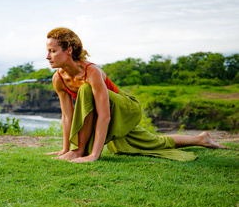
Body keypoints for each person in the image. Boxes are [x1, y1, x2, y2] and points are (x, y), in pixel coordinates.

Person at [44, 27, 227, 163]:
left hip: (125, 107)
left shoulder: (92, 72)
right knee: (151, 142)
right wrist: (65, 149)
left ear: (69, 50)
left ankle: (80, 150)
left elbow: (105, 116)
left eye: (53, 51)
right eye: (48, 51)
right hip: (108, 112)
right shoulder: (58, 78)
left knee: (85, 89)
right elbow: (67, 116)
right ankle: (201, 139)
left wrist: (92, 154)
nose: (48, 56)